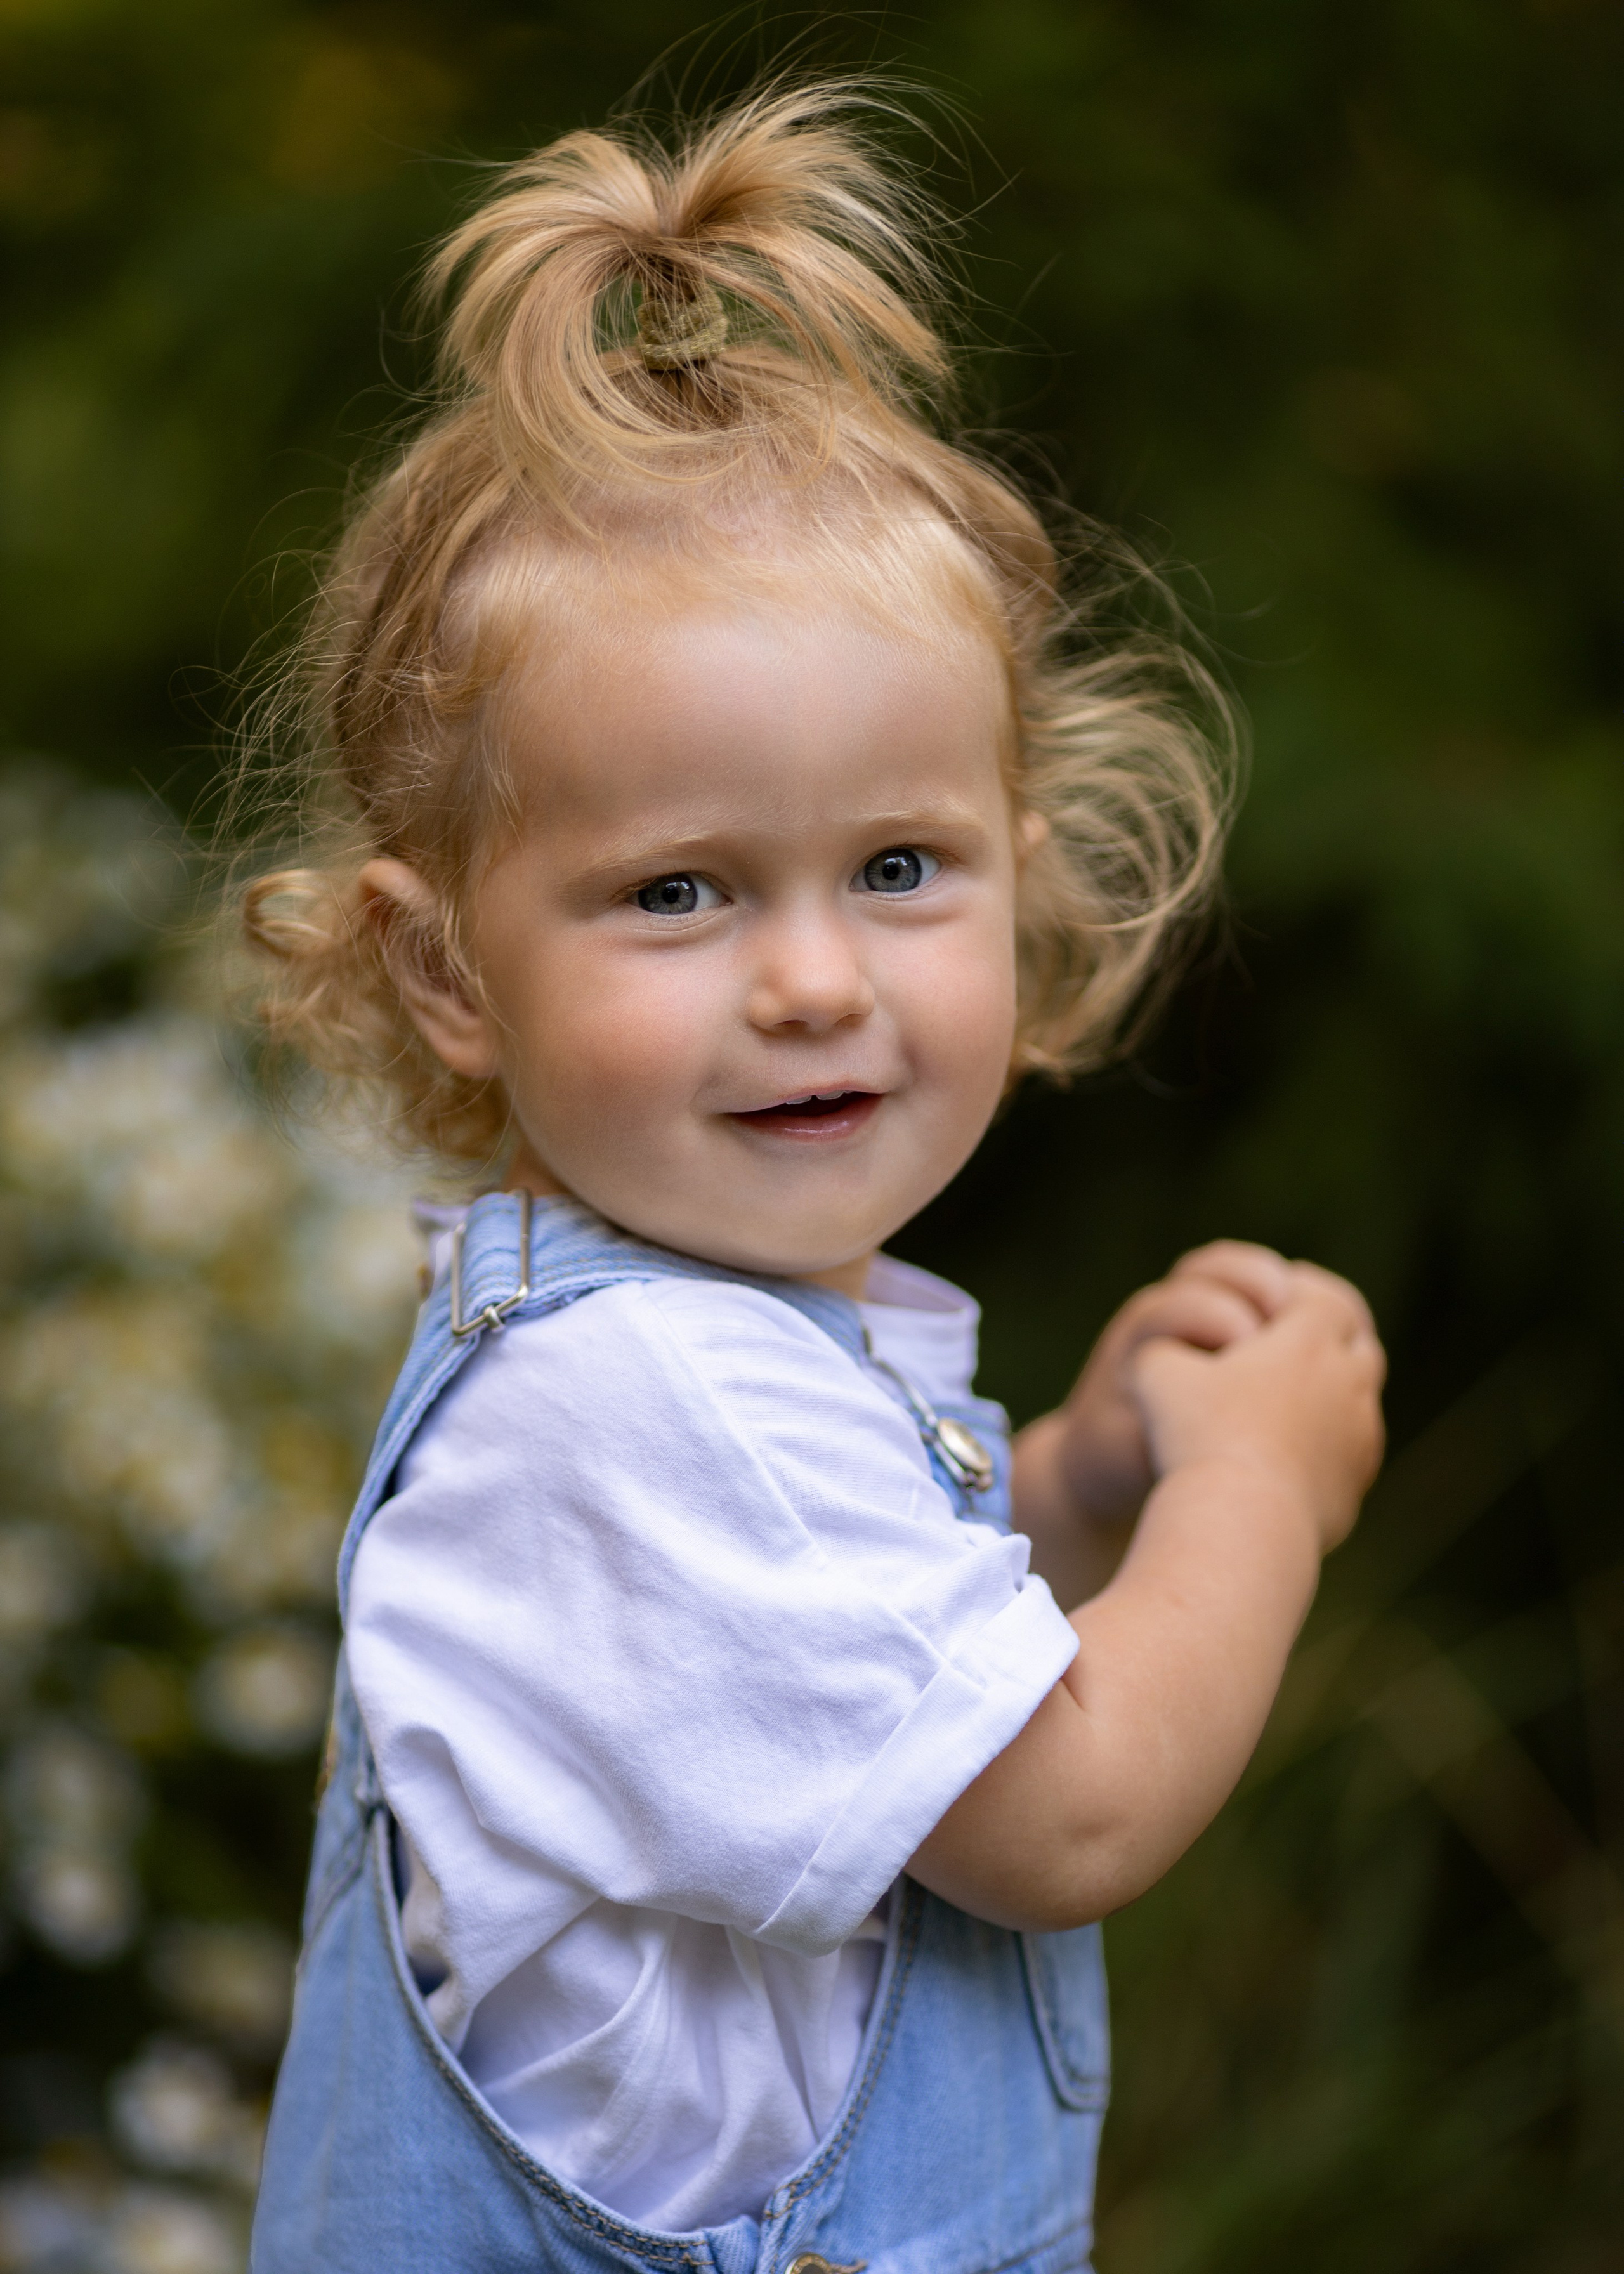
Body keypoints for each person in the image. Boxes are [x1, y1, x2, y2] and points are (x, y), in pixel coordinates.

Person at [242, 82, 1385, 2274]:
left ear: (1017, 871)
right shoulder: (660, 1407)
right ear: (444, 963)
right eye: (677, 890)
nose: (808, 977)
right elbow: (1069, 1807)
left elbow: (815, 1676)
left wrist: (1058, 1481)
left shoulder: (695, 1364)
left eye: (895, 865)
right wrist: (1259, 1483)